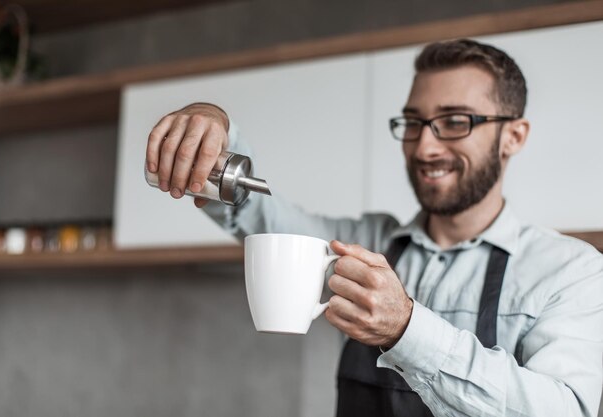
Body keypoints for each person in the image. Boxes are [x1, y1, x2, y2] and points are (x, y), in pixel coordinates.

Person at [144, 39, 603, 417]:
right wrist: (212, 125)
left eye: (455, 122)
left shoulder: (570, 272)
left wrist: (405, 328)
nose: (424, 146)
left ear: (514, 136)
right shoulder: (371, 245)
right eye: (413, 122)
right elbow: (258, 214)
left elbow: (565, 410)